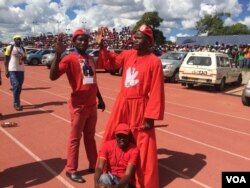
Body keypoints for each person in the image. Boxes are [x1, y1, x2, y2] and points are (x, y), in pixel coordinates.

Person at [96, 24, 165, 188]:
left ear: (149, 42)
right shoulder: (128, 54)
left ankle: (141, 181)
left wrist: (150, 117)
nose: (134, 39)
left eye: (139, 37)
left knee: (142, 142)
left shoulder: (155, 62)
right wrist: (102, 45)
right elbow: (110, 62)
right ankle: (111, 172)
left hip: (140, 106)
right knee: (115, 134)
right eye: (135, 36)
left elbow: (156, 91)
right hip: (122, 103)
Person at [50, 28, 106, 183]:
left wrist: (100, 99)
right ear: (73, 42)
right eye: (79, 40)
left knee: (90, 137)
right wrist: (57, 54)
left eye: (85, 40)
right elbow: (53, 76)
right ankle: (71, 169)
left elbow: (93, 81)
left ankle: (93, 165)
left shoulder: (90, 58)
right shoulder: (69, 58)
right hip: (78, 107)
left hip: (92, 105)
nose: (83, 42)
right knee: (75, 139)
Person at [94, 123, 139, 188]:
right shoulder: (107, 145)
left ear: (129, 136)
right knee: (104, 177)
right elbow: (100, 167)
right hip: (110, 177)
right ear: (115, 136)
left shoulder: (134, 150)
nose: (122, 139)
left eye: (124, 136)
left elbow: (128, 174)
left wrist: (115, 187)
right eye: (119, 136)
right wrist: (96, 184)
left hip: (123, 181)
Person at [4, 35, 26, 111]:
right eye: (17, 39)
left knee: (19, 87)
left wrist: (22, 57)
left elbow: (25, 58)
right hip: (12, 69)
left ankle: (16, 97)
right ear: (14, 40)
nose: (18, 40)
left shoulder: (23, 49)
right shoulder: (10, 48)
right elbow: (6, 60)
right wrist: (6, 70)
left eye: (19, 39)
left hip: (21, 70)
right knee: (16, 85)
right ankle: (16, 103)